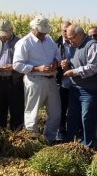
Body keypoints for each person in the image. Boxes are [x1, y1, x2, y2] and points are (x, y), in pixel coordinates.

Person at [13, 15, 61, 144]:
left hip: (51, 79)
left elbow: (58, 55)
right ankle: (32, 141)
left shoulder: (49, 40)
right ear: (33, 28)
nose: (43, 35)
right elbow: (17, 64)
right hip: (35, 80)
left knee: (56, 113)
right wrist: (37, 68)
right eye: (40, 32)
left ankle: (49, 139)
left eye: (45, 32)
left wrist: (56, 62)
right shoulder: (24, 42)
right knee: (32, 113)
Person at [62, 25, 97, 148]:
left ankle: (88, 147)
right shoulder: (74, 47)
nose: (70, 41)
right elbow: (73, 61)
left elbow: (93, 67)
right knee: (72, 118)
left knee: (87, 118)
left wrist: (74, 72)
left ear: (79, 34)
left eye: (71, 38)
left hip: (89, 90)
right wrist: (66, 64)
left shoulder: (92, 45)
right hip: (75, 89)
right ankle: (71, 145)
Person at [55, 20, 75, 142]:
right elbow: (49, 60)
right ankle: (61, 131)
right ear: (60, 30)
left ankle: (73, 133)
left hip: (75, 83)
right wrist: (58, 64)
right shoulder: (55, 44)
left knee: (73, 111)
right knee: (60, 110)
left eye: (68, 30)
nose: (66, 33)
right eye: (64, 30)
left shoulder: (77, 43)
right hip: (61, 82)